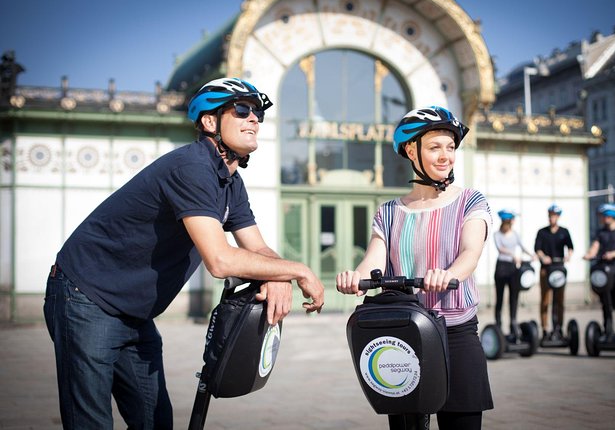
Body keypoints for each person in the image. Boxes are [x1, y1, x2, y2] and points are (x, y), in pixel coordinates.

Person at [43, 77, 325, 429]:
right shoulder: (191, 167)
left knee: (155, 421)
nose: (254, 118)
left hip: (134, 311)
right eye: (242, 110)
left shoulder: (230, 182)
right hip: (85, 297)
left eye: (257, 113)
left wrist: (277, 270)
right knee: (92, 423)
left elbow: (258, 247)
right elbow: (220, 260)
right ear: (210, 122)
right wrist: (298, 271)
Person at [336, 106, 493, 430]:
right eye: (435, 147)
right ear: (411, 150)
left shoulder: (470, 201)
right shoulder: (391, 212)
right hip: (403, 331)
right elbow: (373, 262)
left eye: (450, 148)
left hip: (456, 331)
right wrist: (356, 277)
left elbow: (470, 252)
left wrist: (449, 274)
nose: (445, 156)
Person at [583, 202, 615, 340]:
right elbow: (595, 247)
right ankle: (607, 331)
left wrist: (613, 254)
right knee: (606, 304)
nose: (601, 218)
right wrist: (589, 254)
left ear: (611, 216)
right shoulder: (600, 232)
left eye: (603, 216)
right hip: (604, 275)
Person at [534, 203, 574, 341]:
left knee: (559, 300)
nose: (552, 218)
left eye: (554, 216)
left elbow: (570, 247)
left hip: (559, 269)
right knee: (545, 300)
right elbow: (537, 249)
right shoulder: (542, 232)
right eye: (550, 215)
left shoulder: (564, 232)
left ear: (558, 217)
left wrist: (569, 256)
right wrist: (543, 257)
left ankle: (558, 328)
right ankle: (545, 329)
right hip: (546, 270)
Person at [493, 209, 535, 341]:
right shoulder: (497, 234)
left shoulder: (515, 234)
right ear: (507, 221)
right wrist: (513, 255)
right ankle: (498, 326)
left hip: (512, 269)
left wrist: (531, 255)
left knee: (514, 297)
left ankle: (513, 323)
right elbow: (500, 249)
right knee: (500, 298)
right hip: (501, 267)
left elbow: (522, 246)